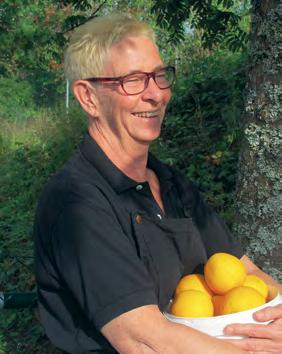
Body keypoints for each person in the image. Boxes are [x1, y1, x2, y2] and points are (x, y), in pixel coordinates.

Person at [34, 13, 282, 354]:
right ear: (88, 98)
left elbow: (246, 270)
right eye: (133, 80)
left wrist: (277, 316)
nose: (156, 95)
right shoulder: (76, 203)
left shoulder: (172, 184)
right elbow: (144, 340)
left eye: (159, 76)